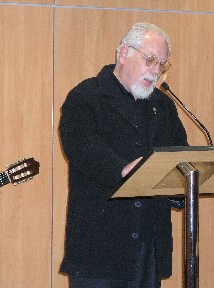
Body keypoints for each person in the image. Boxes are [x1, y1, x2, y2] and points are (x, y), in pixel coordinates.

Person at [59, 22, 189, 288]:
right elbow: (82, 148)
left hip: (149, 247)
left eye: (162, 64)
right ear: (123, 54)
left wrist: (182, 187)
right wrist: (123, 170)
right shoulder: (86, 97)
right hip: (100, 248)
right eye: (150, 60)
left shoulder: (163, 106)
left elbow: (180, 155)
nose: (156, 71)